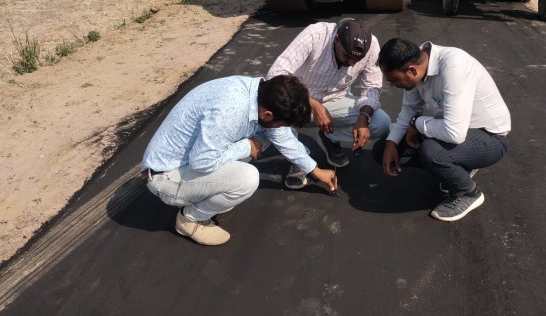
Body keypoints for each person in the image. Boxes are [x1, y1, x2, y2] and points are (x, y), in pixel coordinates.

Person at [141, 74, 337, 246]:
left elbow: (281, 135)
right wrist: (246, 146)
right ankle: (189, 220)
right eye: (280, 123)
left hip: (184, 162)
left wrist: (314, 170)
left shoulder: (258, 94)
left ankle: (205, 194)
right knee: (247, 178)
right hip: (165, 177)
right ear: (267, 114)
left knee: (262, 139)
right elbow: (201, 161)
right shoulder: (232, 110)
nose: (281, 128)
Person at [373, 38, 511, 222]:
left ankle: (469, 193)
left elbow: (454, 132)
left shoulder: (455, 67)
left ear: (411, 70)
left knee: (431, 151)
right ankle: (458, 166)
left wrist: (417, 122)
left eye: (394, 80)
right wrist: (391, 142)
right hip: (450, 129)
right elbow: (409, 109)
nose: (392, 85)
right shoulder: (417, 65)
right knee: (382, 150)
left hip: (490, 138)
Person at [267, 18, 390, 187]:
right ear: (337, 39)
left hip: (335, 100)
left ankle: (329, 136)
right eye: (347, 56)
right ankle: (301, 159)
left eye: (357, 60)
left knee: (380, 122)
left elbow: (372, 87)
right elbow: (275, 75)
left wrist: (363, 117)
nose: (352, 63)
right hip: (295, 101)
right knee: (273, 111)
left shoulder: (372, 46)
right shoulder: (316, 35)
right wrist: (312, 104)